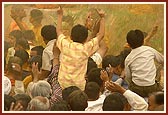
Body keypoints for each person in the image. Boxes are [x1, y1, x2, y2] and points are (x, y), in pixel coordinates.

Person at [56, 6, 105, 90]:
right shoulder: (86, 48)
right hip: (79, 85)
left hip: (62, 83)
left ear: (71, 37)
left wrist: (60, 15)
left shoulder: (65, 45)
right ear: (86, 39)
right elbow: (101, 35)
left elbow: (59, 31)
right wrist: (102, 18)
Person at [125, 29, 164, 97]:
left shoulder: (128, 59)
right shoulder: (149, 50)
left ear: (128, 44)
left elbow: (128, 77)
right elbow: (163, 60)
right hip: (152, 87)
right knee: (159, 66)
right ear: (143, 41)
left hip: (136, 89)